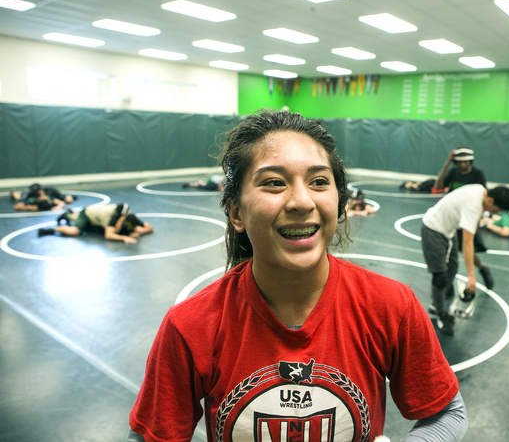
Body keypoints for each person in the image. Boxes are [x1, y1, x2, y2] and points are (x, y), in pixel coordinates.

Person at [127, 110, 468, 442]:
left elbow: (447, 412)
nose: (302, 201)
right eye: (274, 183)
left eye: (319, 181)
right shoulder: (190, 326)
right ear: (236, 212)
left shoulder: (391, 305)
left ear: (339, 201)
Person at [421, 184, 509, 336]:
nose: (493, 213)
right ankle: (440, 314)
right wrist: (471, 276)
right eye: (496, 210)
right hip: (433, 229)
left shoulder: (480, 190)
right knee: (440, 276)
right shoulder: (474, 206)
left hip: (449, 231)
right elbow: (467, 243)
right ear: (490, 201)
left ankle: (441, 296)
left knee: (452, 269)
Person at [434, 147, 494, 289]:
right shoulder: (453, 172)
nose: (462, 165)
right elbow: (438, 186)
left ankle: (482, 269)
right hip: (451, 218)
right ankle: (447, 286)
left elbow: (483, 198)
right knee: (448, 253)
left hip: (468, 217)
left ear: (470, 161)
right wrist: (447, 164)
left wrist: (478, 218)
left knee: (467, 249)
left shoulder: (478, 174)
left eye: (465, 162)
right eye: (459, 162)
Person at [37, 203, 153, 244]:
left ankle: (70, 214)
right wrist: (124, 238)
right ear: (119, 217)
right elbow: (109, 235)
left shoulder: (127, 215)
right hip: (87, 214)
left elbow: (148, 227)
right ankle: (52, 229)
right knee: (75, 231)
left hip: (95, 214)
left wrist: (141, 231)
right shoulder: (109, 218)